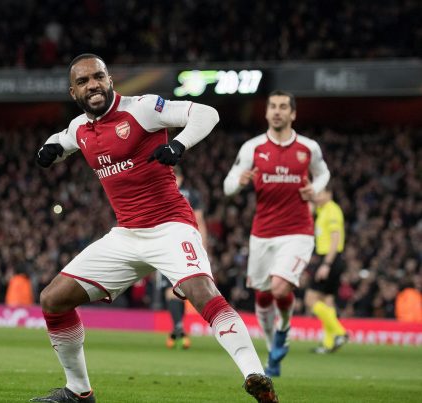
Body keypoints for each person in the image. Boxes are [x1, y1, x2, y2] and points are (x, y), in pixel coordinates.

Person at [31, 54, 278, 403]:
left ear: (110, 79)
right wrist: (49, 151)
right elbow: (64, 140)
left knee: (202, 292)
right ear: (73, 92)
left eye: (98, 77)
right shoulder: (79, 128)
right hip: (126, 235)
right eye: (84, 82)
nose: (93, 85)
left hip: (170, 227)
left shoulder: (143, 108)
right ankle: (78, 392)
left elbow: (207, 114)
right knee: (53, 300)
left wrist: (178, 144)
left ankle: (256, 376)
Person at [223, 90, 330, 377]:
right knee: (262, 295)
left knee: (280, 287)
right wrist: (240, 182)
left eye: (284, 107)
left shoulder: (308, 148)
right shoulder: (252, 148)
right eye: (273, 107)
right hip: (262, 234)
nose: (278, 111)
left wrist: (315, 190)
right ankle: (273, 347)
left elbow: (323, 174)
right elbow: (228, 185)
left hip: (298, 232)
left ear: (293, 113)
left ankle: (284, 327)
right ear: (267, 112)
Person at [161, 166, 209, 350]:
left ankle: (177, 328)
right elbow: (200, 222)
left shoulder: (161, 192)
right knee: (178, 289)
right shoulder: (193, 195)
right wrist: (203, 248)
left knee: (173, 289)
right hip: (185, 246)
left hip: (168, 246)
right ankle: (178, 329)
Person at [304, 186, 349, 353]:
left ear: (330, 194)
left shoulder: (332, 210)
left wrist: (326, 264)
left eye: (320, 192)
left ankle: (340, 332)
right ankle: (328, 344)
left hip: (330, 258)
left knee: (310, 299)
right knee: (327, 301)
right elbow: (309, 207)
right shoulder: (322, 209)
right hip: (331, 259)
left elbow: (335, 239)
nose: (317, 195)